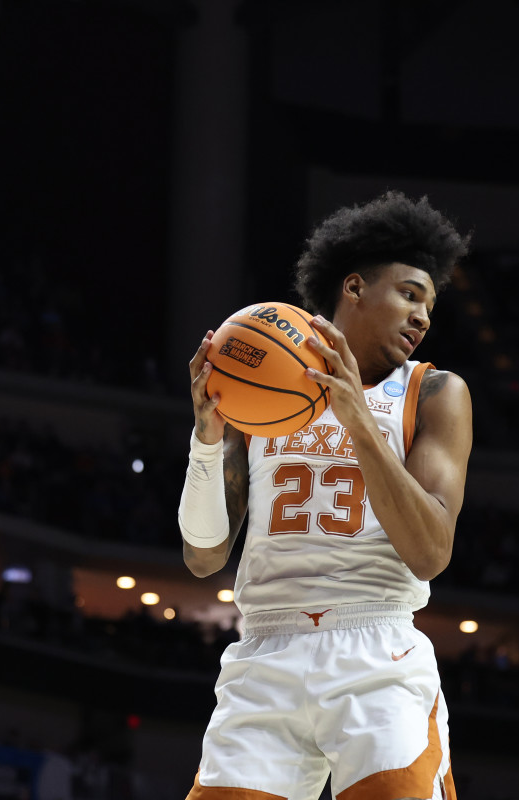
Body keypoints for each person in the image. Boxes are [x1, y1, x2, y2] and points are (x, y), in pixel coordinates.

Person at [180, 191, 472, 800]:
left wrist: (357, 417)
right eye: (410, 294)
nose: (422, 317)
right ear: (355, 287)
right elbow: (204, 557)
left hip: (377, 653)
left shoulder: (434, 392)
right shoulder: (259, 385)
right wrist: (206, 440)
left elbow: (430, 553)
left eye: (429, 306)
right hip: (265, 650)